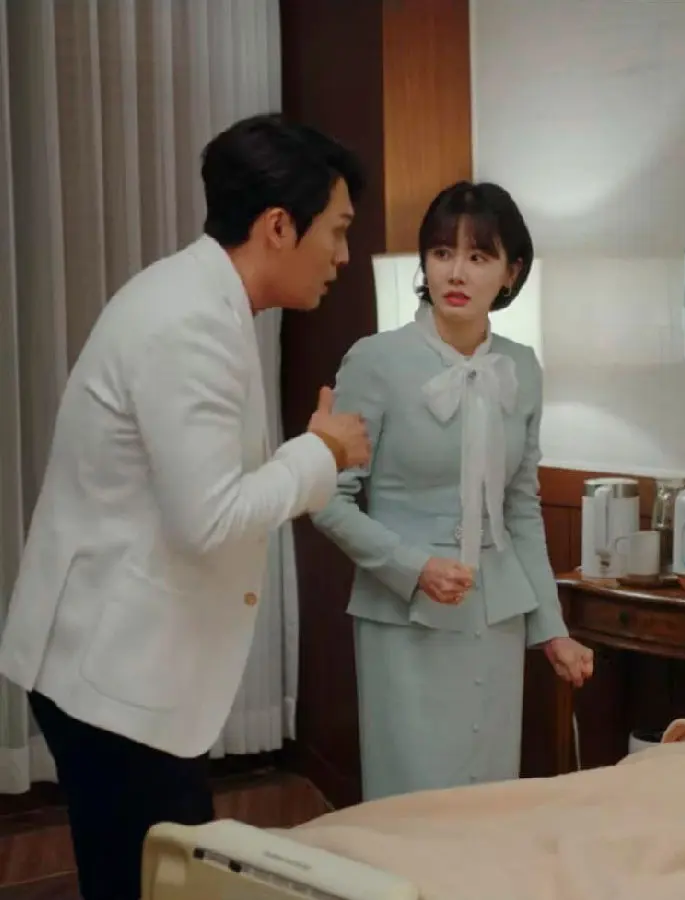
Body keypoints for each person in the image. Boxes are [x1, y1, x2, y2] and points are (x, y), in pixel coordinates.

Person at [0, 113, 370, 900]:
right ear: (279, 226)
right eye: (337, 231)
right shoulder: (191, 320)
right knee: (158, 883)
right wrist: (321, 454)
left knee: (156, 877)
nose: (344, 256)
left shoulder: (200, 298)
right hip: (113, 673)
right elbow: (209, 518)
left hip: (116, 659)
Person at [311, 180, 593, 802]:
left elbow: (521, 509)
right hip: (406, 617)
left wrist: (552, 628)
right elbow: (326, 499)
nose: (456, 272)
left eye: (478, 256)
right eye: (442, 253)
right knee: (411, 805)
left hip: (496, 620)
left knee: (484, 804)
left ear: (511, 272)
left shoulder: (521, 367)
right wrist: (414, 568)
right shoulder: (376, 361)